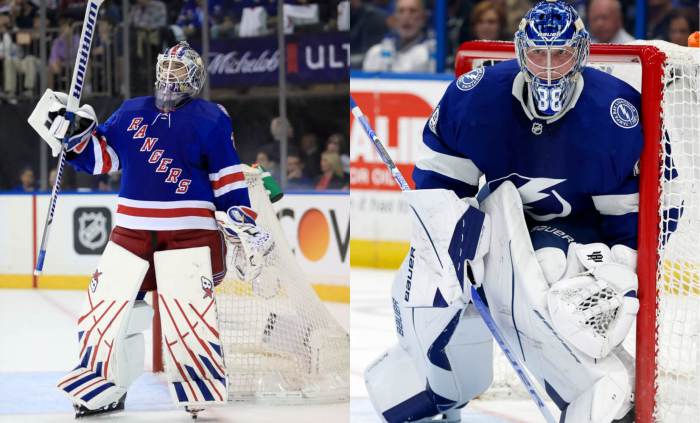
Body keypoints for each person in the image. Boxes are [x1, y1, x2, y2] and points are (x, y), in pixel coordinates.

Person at [364, 2, 642, 422]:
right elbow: (440, 186)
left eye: (561, 53)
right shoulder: (476, 96)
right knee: (427, 283)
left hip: (574, 231)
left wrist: (619, 269)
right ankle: (433, 395)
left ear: (582, 53)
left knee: (547, 274)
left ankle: (602, 395)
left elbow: (626, 227)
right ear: (519, 51)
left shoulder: (615, 114)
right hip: (498, 218)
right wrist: (449, 238)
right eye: (538, 54)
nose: (549, 67)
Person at [28, 41, 272, 418]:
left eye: (180, 69)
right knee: (110, 312)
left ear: (194, 78)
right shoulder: (130, 112)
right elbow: (102, 158)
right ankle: (104, 386)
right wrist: (72, 136)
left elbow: (226, 177)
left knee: (190, 312)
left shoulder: (212, 118)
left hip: (188, 236)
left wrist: (242, 218)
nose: (171, 76)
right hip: (131, 235)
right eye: (167, 67)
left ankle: (199, 381)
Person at [362, 0, 434, 72]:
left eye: (413, 11)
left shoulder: (431, 53)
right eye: (401, 11)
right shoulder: (376, 53)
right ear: (393, 19)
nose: (406, 17)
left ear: (423, 18)